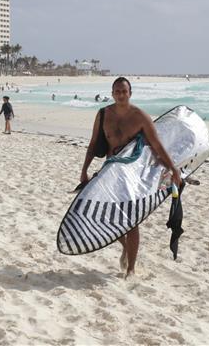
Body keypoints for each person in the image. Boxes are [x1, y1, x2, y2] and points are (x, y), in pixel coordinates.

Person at [79, 77, 183, 279]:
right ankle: (126, 246)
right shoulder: (103, 114)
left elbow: (157, 145)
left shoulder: (140, 117)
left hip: (131, 174)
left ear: (130, 93)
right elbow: (93, 144)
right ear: (112, 93)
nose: (120, 95)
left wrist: (173, 168)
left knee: (131, 221)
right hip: (110, 172)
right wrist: (84, 170)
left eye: (124, 91)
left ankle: (131, 268)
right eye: (117, 91)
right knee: (106, 217)